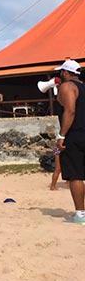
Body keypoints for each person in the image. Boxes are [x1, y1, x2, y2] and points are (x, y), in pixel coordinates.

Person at [55, 59, 85, 224]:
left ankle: (80, 214)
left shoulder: (67, 86)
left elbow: (70, 111)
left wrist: (61, 136)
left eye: (62, 72)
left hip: (75, 135)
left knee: (75, 175)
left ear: (66, 73)